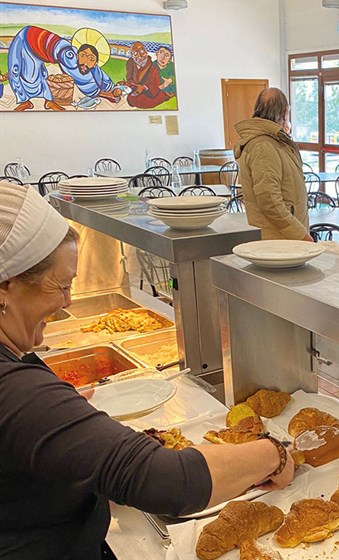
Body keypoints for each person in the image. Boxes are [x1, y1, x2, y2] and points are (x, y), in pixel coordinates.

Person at [0, 181, 294, 560]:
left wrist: (63, 427)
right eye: (60, 286)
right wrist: (274, 453)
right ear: (6, 286)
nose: (67, 302)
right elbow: (167, 480)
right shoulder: (15, 391)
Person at [234, 87, 312, 240]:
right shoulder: (263, 146)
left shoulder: (274, 141)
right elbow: (269, 201)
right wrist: (300, 234)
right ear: (284, 113)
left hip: (285, 238)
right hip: (278, 241)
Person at [7, 26, 121, 111]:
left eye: (91, 59)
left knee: (39, 74)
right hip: (24, 38)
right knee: (16, 71)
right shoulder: (69, 57)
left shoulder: (87, 64)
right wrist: (105, 93)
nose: (85, 62)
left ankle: (48, 102)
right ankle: (24, 101)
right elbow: (84, 81)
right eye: (83, 56)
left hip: (37, 47)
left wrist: (110, 87)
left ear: (95, 62)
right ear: (78, 54)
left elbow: (97, 71)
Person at [124, 42, 169, 109]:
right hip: (136, 89)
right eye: (135, 53)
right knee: (130, 98)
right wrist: (128, 84)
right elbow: (129, 78)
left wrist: (144, 87)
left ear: (146, 52)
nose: (140, 55)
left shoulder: (153, 67)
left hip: (149, 92)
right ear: (132, 55)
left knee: (144, 101)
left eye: (141, 51)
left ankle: (164, 96)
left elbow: (155, 85)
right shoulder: (130, 63)